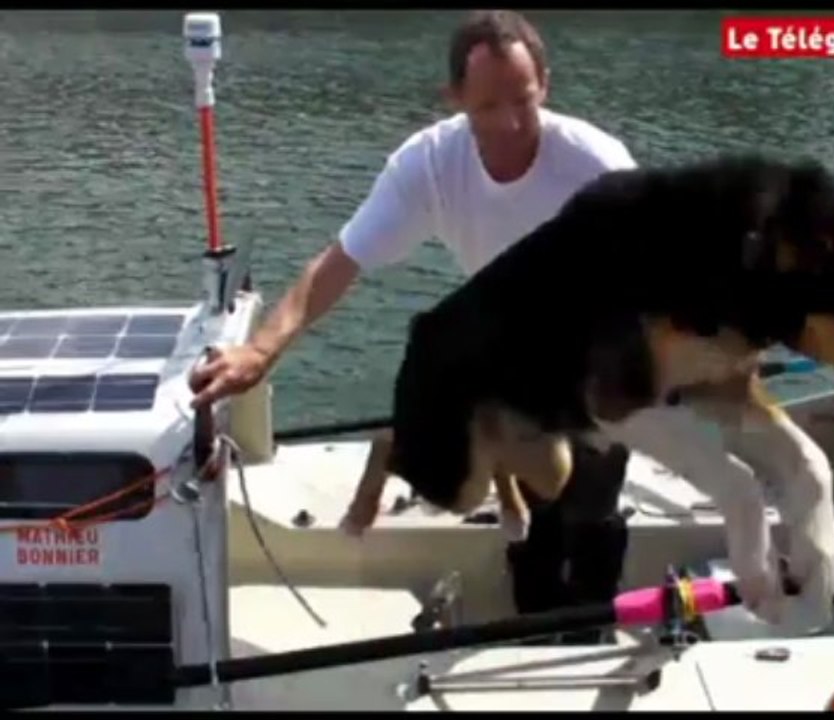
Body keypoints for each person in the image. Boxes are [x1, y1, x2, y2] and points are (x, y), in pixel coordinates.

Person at [189, 9, 636, 628]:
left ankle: (589, 628)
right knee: (538, 513)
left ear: (547, 87)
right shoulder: (429, 163)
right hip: (506, 348)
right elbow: (340, 263)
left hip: (599, 350)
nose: (510, 124)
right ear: (454, 99)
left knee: (590, 506)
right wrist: (261, 351)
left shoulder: (597, 165)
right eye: (487, 107)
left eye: (523, 101)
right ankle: (536, 625)